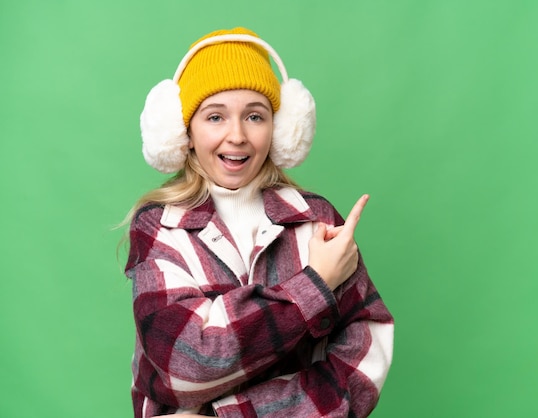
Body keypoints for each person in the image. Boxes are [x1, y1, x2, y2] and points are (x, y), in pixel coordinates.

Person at [124, 27, 394, 417]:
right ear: (184, 130)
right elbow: (184, 368)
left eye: (255, 115)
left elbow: (367, 356)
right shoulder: (159, 226)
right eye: (215, 117)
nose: (237, 136)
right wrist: (314, 286)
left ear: (281, 129)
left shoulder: (315, 218)